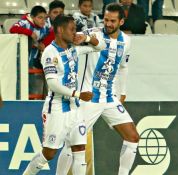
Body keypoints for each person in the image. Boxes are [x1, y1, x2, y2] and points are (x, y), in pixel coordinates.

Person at [56, 3, 139, 175]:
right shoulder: (93, 33)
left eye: (112, 21)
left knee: (132, 137)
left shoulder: (126, 41)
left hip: (108, 98)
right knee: (72, 144)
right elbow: (74, 38)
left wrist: (122, 92)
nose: (107, 24)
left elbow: (123, 67)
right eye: (106, 19)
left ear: (122, 22)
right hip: (89, 98)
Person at [22, 15, 106, 175]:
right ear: (60, 30)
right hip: (57, 109)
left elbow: (100, 47)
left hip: (75, 108)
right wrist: (78, 93)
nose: (75, 33)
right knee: (48, 154)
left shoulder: (73, 48)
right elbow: (52, 84)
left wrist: (87, 37)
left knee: (80, 150)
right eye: (72, 29)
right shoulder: (50, 52)